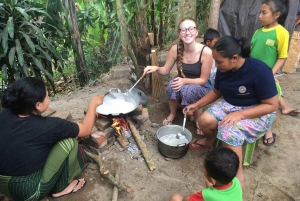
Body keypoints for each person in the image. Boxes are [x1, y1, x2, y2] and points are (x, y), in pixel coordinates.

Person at [186, 36, 278, 188]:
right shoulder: (224, 69)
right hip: (230, 105)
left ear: (234, 58)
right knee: (204, 120)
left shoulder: (259, 71)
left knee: (228, 131)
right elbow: (216, 91)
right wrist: (197, 104)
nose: (216, 65)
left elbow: (272, 105)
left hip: (258, 111)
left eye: (219, 61)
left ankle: (238, 176)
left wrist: (240, 115)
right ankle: (209, 142)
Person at [0, 77, 104, 200]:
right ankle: (61, 189)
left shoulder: (5, 113)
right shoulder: (50, 126)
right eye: (47, 97)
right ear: (38, 105)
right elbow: (86, 130)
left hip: (3, 186)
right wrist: (93, 104)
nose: (48, 100)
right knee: (69, 141)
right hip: (27, 193)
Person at [143, 17, 213, 136]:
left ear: (196, 32)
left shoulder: (206, 52)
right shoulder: (175, 49)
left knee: (188, 90)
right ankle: (173, 113)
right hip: (183, 82)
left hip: (202, 85)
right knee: (171, 85)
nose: (187, 32)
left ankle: (197, 119)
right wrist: (155, 68)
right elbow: (165, 70)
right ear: (179, 34)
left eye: (191, 29)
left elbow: (203, 80)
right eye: (183, 30)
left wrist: (185, 81)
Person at [250, 0, 299, 146]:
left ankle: (268, 130)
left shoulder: (281, 33)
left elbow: (282, 56)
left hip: (265, 74)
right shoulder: (258, 32)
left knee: (266, 101)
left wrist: (271, 74)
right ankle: (284, 107)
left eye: (264, 13)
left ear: (276, 15)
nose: (260, 16)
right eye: (260, 12)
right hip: (253, 73)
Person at [170, 147, 243, 201]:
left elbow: (186, 199)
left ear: (213, 180)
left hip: (211, 196)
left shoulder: (206, 194)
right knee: (207, 182)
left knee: (176, 198)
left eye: (204, 167)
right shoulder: (236, 182)